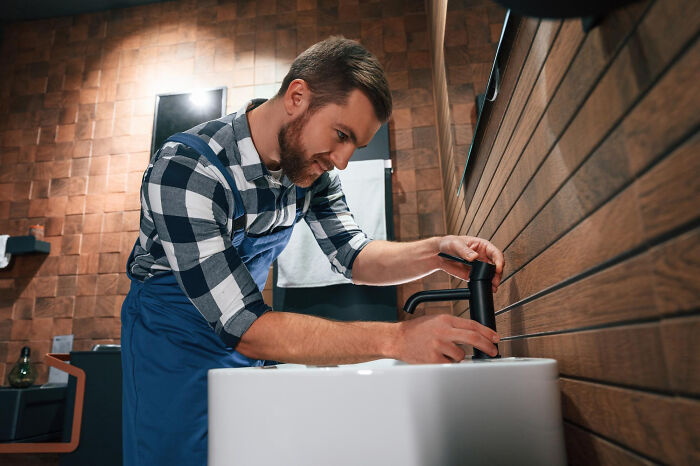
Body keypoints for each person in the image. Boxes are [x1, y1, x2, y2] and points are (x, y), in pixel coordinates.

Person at [120, 36, 504, 465]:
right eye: (341, 135)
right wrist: (397, 338)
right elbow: (245, 324)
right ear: (297, 96)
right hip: (172, 348)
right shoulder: (187, 169)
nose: (341, 161)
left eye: (353, 146)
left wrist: (435, 251)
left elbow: (354, 257)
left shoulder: (309, 175)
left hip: (244, 342)